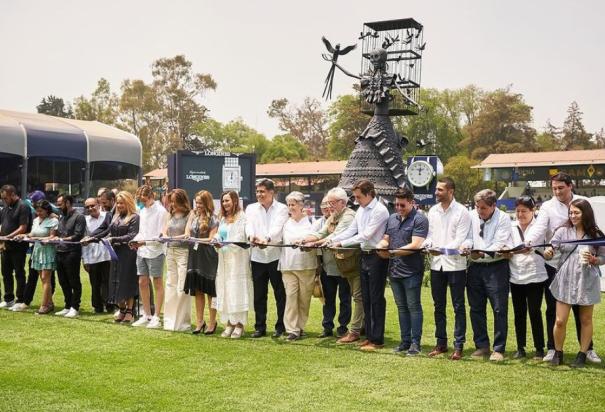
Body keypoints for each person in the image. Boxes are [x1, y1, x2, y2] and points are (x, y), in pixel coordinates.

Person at [524, 172, 601, 363]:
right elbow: (541, 231)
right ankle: (554, 349)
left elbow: (600, 246)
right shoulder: (549, 208)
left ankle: (586, 350)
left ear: (570, 186)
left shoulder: (585, 207)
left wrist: (595, 259)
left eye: (561, 187)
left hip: (584, 272)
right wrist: (529, 242)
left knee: (582, 314)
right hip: (559, 268)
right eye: (554, 188)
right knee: (556, 313)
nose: (557, 191)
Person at [330, 180, 390, 351]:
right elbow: (351, 231)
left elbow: (365, 235)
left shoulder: (380, 211)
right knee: (366, 298)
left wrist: (342, 244)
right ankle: (369, 336)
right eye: (355, 197)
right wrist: (334, 240)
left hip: (377, 257)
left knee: (376, 298)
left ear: (370, 193)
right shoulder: (361, 210)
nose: (356, 200)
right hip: (364, 255)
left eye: (359, 197)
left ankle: (377, 340)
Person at [545, 199, 605, 367]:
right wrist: (548, 252)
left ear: (585, 213)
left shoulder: (596, 234)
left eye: (576, 212)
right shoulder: (563, 231)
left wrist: (595, 259)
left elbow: (603, 257)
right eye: (571, 212)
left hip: (587, 280)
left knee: (585, 319)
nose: (572, 216)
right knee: (560, 320)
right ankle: (558, 352)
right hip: (565, 279)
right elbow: (551, 248)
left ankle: (582, 354)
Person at [423, 177, 471, 360]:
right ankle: (441, 343)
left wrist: (440, 250)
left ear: (451, 191)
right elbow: (429, 235)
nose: (436, 193)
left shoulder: (462, 212)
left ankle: (458, 345)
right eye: (436, 189)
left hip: (456, 265)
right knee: (438, 306)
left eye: (440, 190)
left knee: (458, 306)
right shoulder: (433, 211)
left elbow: (460, 239)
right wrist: (428, 245)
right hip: (437, 265)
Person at [303, 187, 359, 343]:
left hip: (345, 266)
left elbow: (336, 235)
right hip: (329, 266)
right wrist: (305, 239)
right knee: (328, 299)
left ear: (342, 202)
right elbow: (321, 232)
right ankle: (327, 327)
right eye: (328, 202)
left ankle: (343, 328)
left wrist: (314, 244)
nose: (329, 206)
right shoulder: (333, 216)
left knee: (345, 299)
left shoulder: (349, 216)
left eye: (332, 202)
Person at [376, 188, 428, 356]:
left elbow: (416, 245)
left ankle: (415, 343)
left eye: (402, 205)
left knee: (413, 307)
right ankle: (405, 341)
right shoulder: (392, 218)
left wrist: (391, 252)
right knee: (401, 308)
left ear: (411, 202)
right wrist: (382, 245)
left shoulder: (420, 219)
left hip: (411, 271)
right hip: (395, 270)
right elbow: (386, 238)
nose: (398, 207)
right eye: (396, 204)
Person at [462, 189, 513, 361]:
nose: (479, 211)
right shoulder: (471, 216)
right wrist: (467, 247)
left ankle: (499, 349)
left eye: (483, 208)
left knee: (499, 309)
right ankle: (482, 346)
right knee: (476, 308)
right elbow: (468, 237)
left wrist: (482, 253)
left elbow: (500, 243)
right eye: (477, 207)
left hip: (496, 267)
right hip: (475, 267)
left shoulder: (504, 218)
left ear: (493, 206)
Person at [245, 179, 289, 338]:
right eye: (257, 191)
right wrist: (252, 237)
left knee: (280, 293)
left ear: (272, 192)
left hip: (275, 256)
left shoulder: (282, 209)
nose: (259, 194)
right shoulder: (251, 208)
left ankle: (281, 326)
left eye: (262, 191)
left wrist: (267, 240)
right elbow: (248, 226)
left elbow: (277, 229)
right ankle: (260, 327)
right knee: (259, 294)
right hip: (257, 256)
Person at [505, 196, 547, 360]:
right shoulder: (511, 226)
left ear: (533, 211)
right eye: (518, 211)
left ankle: (539, 349)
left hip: (536, 275)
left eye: (524, 211)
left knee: (535, 312)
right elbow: (507, 245)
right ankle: (520, 348)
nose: (520, 214)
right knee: (519, 313)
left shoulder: (539, 227)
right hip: (516, 276)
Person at [87, 191, 140, 323]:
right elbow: (106, 231)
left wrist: (113, 239)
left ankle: (129, 311)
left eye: (122, 203)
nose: (119, 205)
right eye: (118, 203)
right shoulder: (115, 217)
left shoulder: (134, 217)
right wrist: (92, 238)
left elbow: (132, 235)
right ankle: (121, 309)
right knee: (115, 281)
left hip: (128, 253)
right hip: (115, 253)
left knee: (127, 281)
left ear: (128, 203)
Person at [280, 191, 318, 341]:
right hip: (288, 266)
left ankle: (300, 326)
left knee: (304, 299)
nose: (290, 207)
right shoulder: (285, 223)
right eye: (289, 204)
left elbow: (315, 239)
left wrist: (303, 240)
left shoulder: (311, 222)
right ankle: (292, 329)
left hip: (306, 265)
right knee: (290, 297)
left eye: (293, 204)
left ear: (301, 205)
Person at [214, 191, 252, 339]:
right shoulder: (223, 218)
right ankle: (229, 323)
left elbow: (244, 235)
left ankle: (239, 325)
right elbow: (219, 234)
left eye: (227, 200)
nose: (225, 204)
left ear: (235, 201)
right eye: (223, 201)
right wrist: (216, 240)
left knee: (237, 290)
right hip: (224, 261)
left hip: (238, 261)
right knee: (226, 290)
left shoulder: (243, 217)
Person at [131, 186, 168, 329]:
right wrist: (135, 241)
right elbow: (142, 232)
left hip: (156, 251)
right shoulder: (142, 211)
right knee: (142, 281)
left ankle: (157, 317)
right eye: (140, 200)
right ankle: (146, 315)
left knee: (157, 282)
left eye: (144, 200)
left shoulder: (161, 211)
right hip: (142, 251)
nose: (142, 203)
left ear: (151, 196)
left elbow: (160, 237)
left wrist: (143, 242)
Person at [184, 190, 219, 335]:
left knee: (210, 291)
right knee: (197, 290)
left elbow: (212, 239)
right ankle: (199, 322)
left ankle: (212, 322)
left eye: (200, 202)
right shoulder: (193, 216)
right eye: (196, 202)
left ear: (207, 203)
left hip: (208, 257)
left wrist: (195, 240)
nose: (197, 205)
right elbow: (187, 233)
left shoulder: (214, 219)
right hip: (194, 256)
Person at [14, 200, 58, 314]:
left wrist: (41, 239)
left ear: (47, 210)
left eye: (41, 211)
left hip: (48, 251)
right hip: (37, 251)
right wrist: (22, 235)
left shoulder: (53, 220)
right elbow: (32, 234)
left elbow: (52, 237)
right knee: (42, 279)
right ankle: (50, 303)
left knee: (45, 279)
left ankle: (44, 306)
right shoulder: (35, 220)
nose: (38, 213)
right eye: (37, 211)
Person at [162, 189, 192, 332]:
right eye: (171, 201)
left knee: (182, 286)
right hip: (170, 251)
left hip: (183, 252)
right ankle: (169, 320)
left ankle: (182, 322)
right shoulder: (170, 214)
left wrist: (171, 238)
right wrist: (164, 236)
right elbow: (164, 231)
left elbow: (187, 234)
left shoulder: (189, 214)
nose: (172, 204)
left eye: (175, 201)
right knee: (170, 285)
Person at [54, 194, 86, 318]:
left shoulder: (79, 217)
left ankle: (75, 307)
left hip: (72, 253)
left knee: (74, 281)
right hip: (60, 252)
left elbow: (78, 235)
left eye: (60, 204)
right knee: (63, 281)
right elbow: (58, 234)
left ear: (67, 203)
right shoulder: (61, 217)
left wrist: (62, 239)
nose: (58, 206)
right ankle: (67, 305)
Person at [0, 185, 31, 309]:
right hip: (6, 246)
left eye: (5, 198)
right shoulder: (5, 208)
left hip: (18, 246)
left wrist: (7, 237)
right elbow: (2, 226)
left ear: (13, 194)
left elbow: (22, 227)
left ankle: (20, 299)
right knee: (6, 272)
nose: (4, 201)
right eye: (2, 198)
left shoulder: (23, 206)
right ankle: (8, 299)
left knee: (19, 272)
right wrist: (2, 242)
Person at [81, 198, 112, 314]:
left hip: (107, 254)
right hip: (92, 256)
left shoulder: (107, 216)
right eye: (87, 207)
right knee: (95, 283)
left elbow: (108, 232)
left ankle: (110, 305)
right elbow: (83, 241)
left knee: (107, 281)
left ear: (98, 205)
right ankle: (97, 307)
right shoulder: (85, 220)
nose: (90, 208)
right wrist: (84, 260)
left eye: (92, 205)